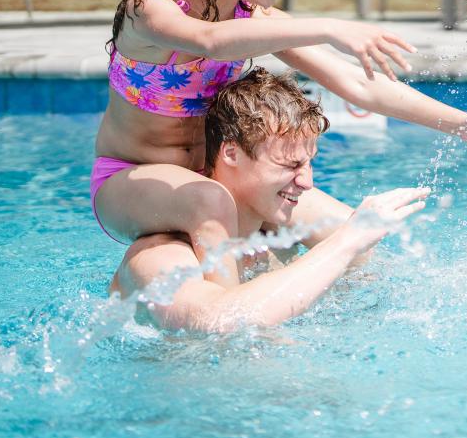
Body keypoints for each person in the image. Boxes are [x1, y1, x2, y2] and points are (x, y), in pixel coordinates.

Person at [91, 0, 467, 285]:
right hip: (133, 178)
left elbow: (357, 83)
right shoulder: (149, 10)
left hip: (216, 175)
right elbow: (211, 40)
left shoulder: (253, 18)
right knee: (209, 200)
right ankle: (228, 319)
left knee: (347, 234)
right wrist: (329, 27)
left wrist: (462, 124)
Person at [109, 68, 430, 332]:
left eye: (309, 163)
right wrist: (345, 242)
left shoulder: (277, 230)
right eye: (290, 165)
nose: (307, 182)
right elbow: (214, 323)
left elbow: (376, 271)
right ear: (231, 153)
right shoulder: (159, 257)